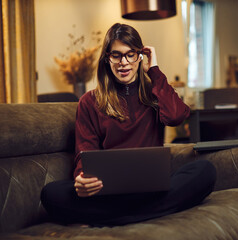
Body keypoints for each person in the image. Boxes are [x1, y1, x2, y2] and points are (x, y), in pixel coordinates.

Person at [41, 23, 216, 227]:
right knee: (51, 193)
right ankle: (148, 213)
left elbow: (177, 116)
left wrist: (155, 72)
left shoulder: (154, 93)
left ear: (140, 56)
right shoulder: (89, 101)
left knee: (205, 171)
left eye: (130, 54)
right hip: (108, 195)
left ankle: (113, 218)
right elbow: (84, 152)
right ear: (107, 59)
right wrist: (82, 179)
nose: (123, 62)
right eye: (116, 55)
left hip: (150, 191)